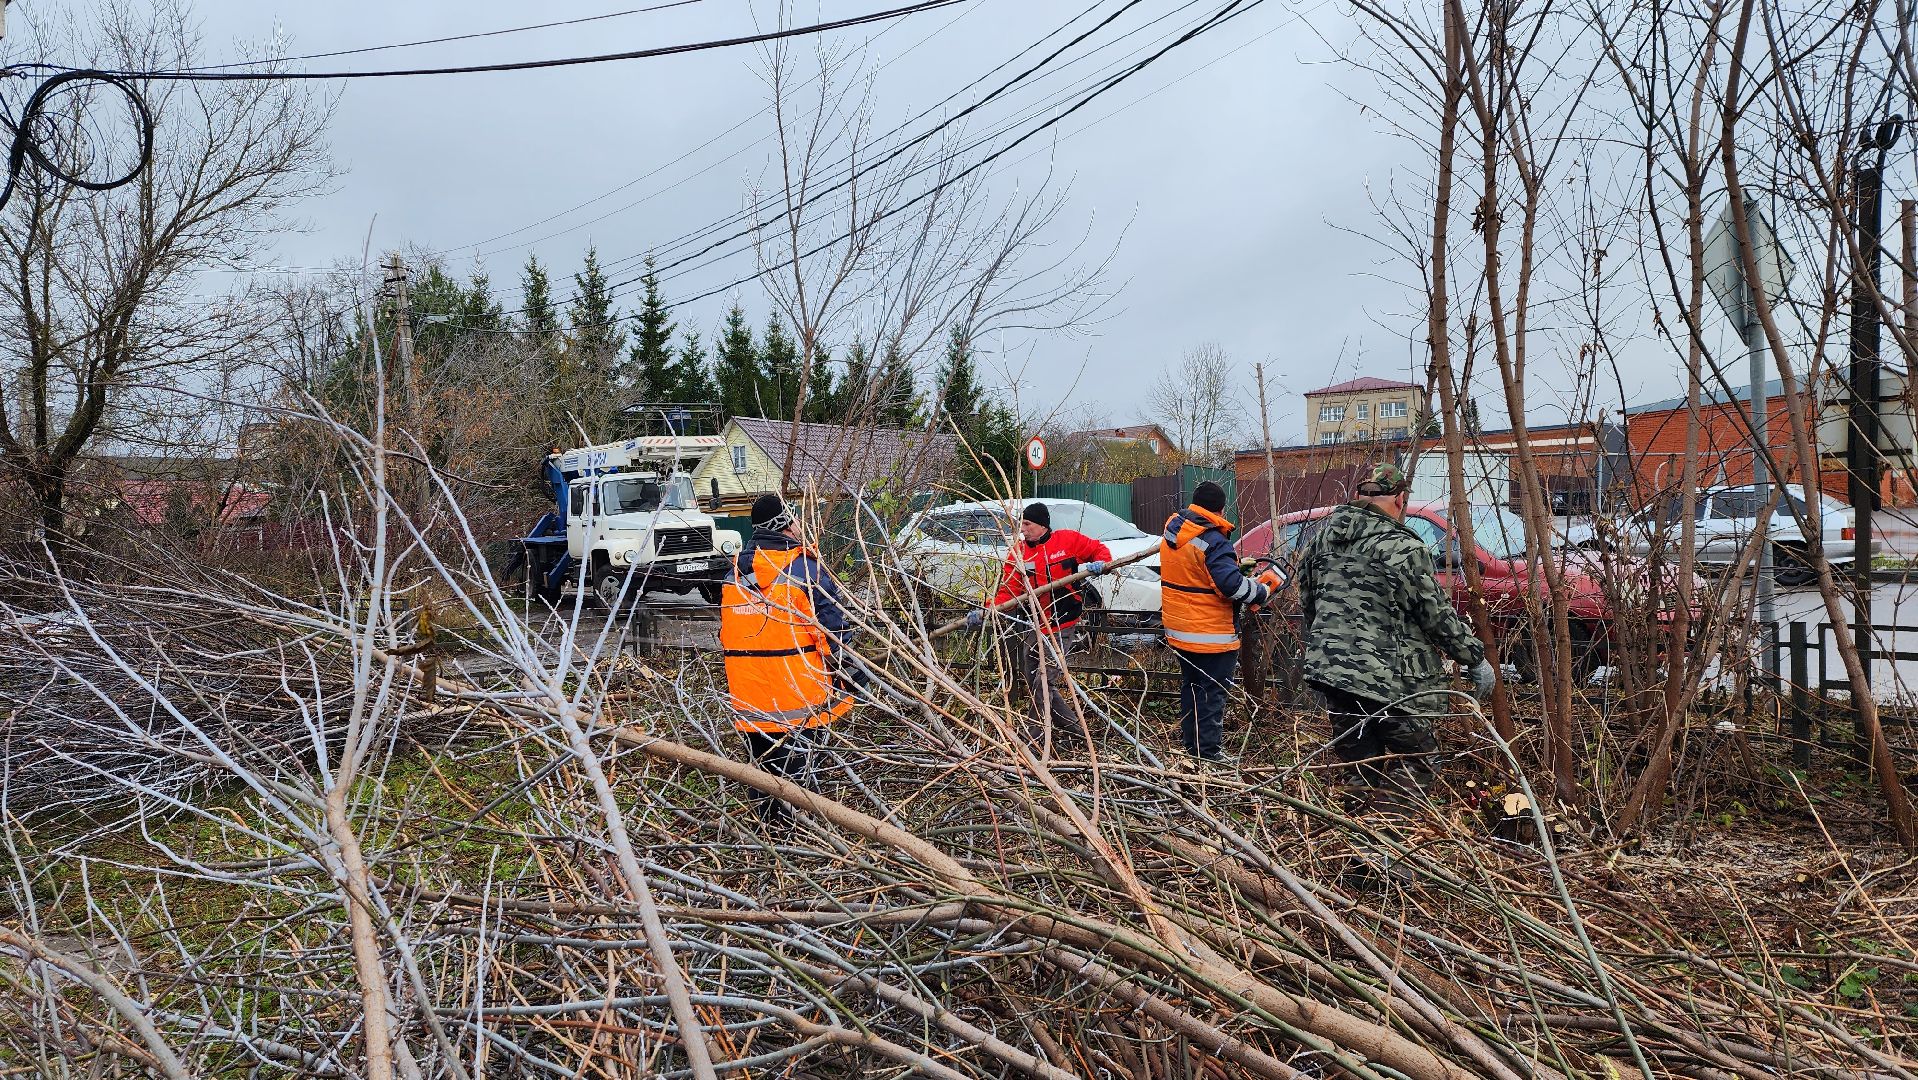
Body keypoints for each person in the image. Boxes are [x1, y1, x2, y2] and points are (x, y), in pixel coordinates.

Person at [1297, 463, 1496, 793]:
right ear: (1400, 499)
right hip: (1388, 681)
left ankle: (1361, 838)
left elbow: (1309, 603)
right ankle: (1392, 835)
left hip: (1334, 675)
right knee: (1419, 762)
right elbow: (1435, 614)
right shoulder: (1403, 548)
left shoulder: (1320, 542)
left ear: (1358, 498)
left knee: (1358, 767)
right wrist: (1473, 657)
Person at [719, 494, 853, 824]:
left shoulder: (733, 576)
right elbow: (833, 635)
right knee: (803, 788)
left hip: (750, 705)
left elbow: (728, 635)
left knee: (764, 780)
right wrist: (849, 678)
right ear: (784, 524)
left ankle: (773, 845)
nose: (798, 525)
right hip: (800, 700)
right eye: (793, 518)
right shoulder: (804, 570)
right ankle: (805, 848)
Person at [966, 501, 1111, 749]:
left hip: (1063, 621)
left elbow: (1098, 551)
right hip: (1036, 623)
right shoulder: (1019, 554)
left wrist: (1101, 564)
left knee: (1043, 682)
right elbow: (1008, 593)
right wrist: (985, 609)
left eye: (1027, 524)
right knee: (1032, 676)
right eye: (1021, 523)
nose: (1023, 529)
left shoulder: (1068, 541)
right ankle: (1076, 732)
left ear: (1042, 525)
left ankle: (1035, 741)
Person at [1159, 481, 1279, 763]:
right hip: (1212, 635)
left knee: (1191, 690)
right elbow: (1230, 587)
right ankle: (1210, 756)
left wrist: (1235, 569)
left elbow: (1198, 574)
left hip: (1180, 630)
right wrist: (1261, 590)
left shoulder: (1175, 531)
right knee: (1212, 697)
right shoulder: (1214, 539)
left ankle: (1192, 749)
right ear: (1221, 509)